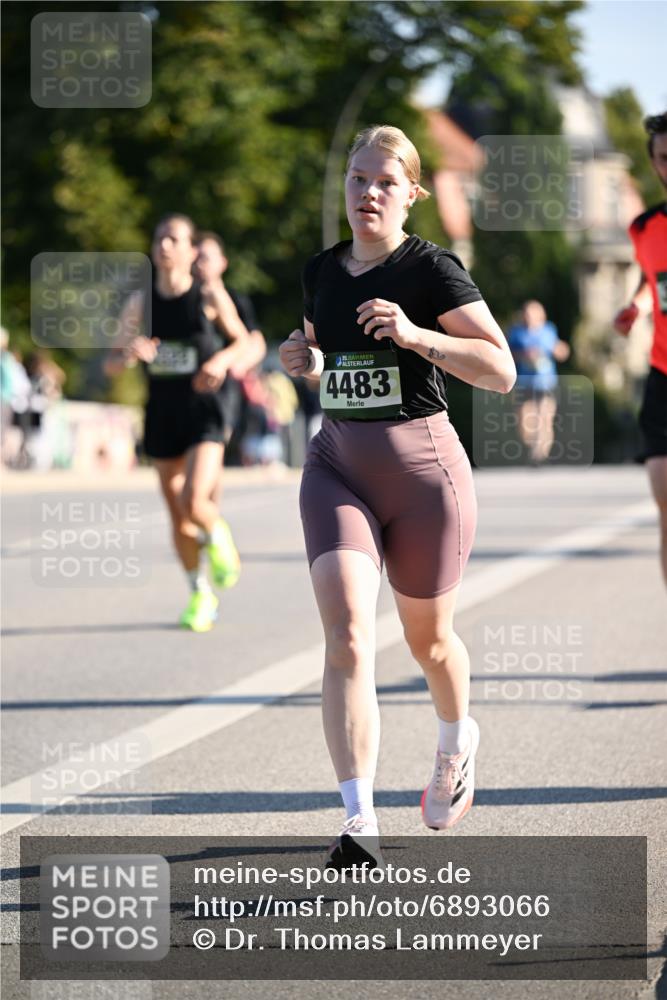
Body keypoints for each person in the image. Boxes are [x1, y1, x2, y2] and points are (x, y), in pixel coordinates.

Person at [279, 125, 516, 868]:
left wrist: (418, 337)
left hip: (423, 479)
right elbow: (323, 346)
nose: (367, 194)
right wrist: (302, 357)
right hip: (337, 466)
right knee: (347, 635)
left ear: (411, 194)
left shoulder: (431, 269)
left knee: (428, 641)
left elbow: (500, 369)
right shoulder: (323, 268)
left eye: (384, 182)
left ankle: (455, 739)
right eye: (356, 179)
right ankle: (357, 819)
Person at [105, 214, 250, 632]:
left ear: (190, 250)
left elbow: (241, 339)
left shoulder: (208, 295)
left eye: (173, 239)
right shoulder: (141, 303)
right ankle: (199, 592)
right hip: (162, 413)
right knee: (177, 516)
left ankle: (218, 535)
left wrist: (221, 360)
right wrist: (131, 354)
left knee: (194, 499)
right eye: (159, 238)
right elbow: (113, 364)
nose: (164, 246)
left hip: (204, 411)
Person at [613, 112, 667, 588]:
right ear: (655, 165)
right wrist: (636, 305)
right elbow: (653, 283)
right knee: (664, 497)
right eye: (665, 158)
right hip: (663, 372)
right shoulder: (644, 228)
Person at [193, 231, 267, 468]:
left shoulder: (235, 299)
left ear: (222, 262)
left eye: (206, 257)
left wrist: (235, 365)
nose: (200, 262)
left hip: (225, 387)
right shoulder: (186, 298)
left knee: (213, 445)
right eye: (196, 257)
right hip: (191, 383)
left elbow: (256, 342)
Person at [507, 300, 570, 464]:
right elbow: (507, 354)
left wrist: (558, 350)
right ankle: (533, 446)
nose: (529, 317)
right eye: (527, 313)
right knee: (524, 421)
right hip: (524, 383)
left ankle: (539, 456)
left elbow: (562, 351)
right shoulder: (516, 332)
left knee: (545, 418)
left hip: (546, 383)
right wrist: (524, 355)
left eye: (533, 313)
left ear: (541, 315)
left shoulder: (549, 331)